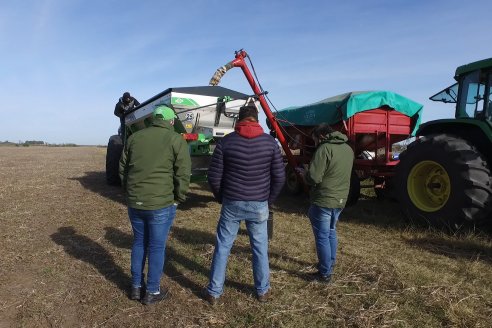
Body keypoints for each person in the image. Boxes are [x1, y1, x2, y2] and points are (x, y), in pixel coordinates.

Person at [204, 104, 285, 305]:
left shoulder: (226, 142)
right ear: (256, 119)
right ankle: (262, 291)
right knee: (259, 248)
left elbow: (214, 177)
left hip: (232, 202)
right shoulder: (270, 143)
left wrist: (222, 197)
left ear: (238, 120)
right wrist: (268, 200)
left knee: (223, 247)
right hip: (259, 204)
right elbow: (280, 177)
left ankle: (214, 292)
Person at [119, 105, 191, 305]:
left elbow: (123, 168)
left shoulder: (134, 138)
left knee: (139, 242)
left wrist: (129, 193)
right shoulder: (175, 139)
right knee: (157, 246)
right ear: (169, 121)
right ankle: (152, 291)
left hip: (135, 202)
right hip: (161, 204)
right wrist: (179, 197)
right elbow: (183, 173)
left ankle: (135, 287)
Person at [302, 123, 354, 282]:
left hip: (324, 199)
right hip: (340, 199)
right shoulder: (348, 149)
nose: (315, 143)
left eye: (315, 139)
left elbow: (314, 177)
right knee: (331, 231)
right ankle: (329, 264)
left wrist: (305, 172)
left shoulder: (324, 149)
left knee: (322, 236)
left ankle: (324, 273)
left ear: (321, 136)